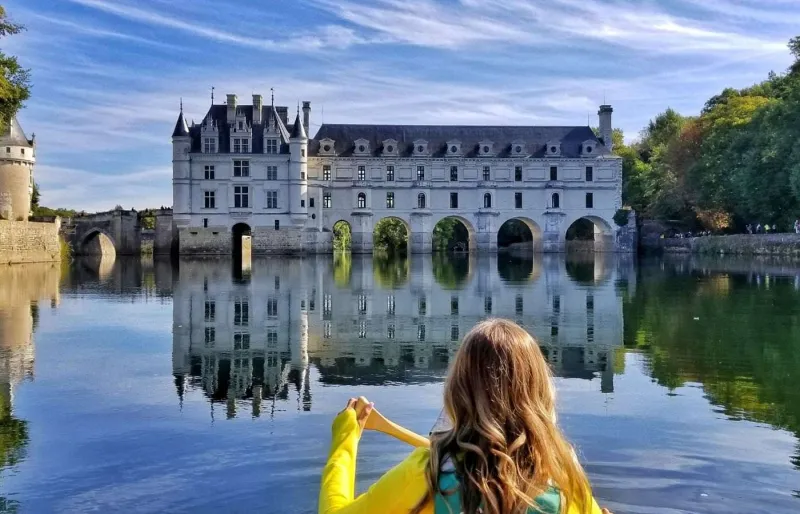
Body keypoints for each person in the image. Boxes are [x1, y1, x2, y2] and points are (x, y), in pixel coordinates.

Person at [319, 319, 611, 514]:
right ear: (541, 391)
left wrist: (345, 438)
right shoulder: (563, 477)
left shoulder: (426, 473)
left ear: (458, 391)